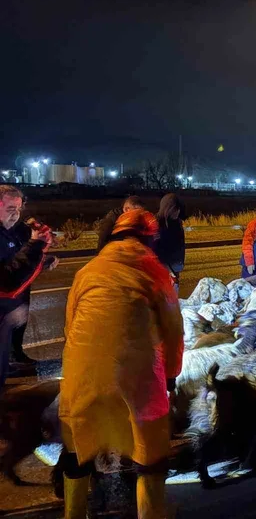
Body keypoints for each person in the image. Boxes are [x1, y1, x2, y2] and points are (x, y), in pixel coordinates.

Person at [59, 209, 183, 519]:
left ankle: (73, 513)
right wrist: (171, 376)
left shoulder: (88, 270)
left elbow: (69, 327)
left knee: (78, 447)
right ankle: (150, 512)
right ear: (149, 239)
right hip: (137, 379)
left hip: (83, 378)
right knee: (151, 455)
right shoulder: (155, 272)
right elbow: (172, 332)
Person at [0, 186, 58, 374]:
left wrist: (41, 259)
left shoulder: (10, 231)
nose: (16, 215)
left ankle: (11, 360)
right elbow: (7, 279)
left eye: (18, 209)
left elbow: (16, 263)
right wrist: (34, 246)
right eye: (10, 209)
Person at [153, 193, 186, 291]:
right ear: (168, 209)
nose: (177, 212)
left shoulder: (177, 223)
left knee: (173, 293)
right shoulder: (157, 224)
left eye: (178, 209)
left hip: (175, 267)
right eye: (175, 209)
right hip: (164, 268)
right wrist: (168, 269)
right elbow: (156, 250)